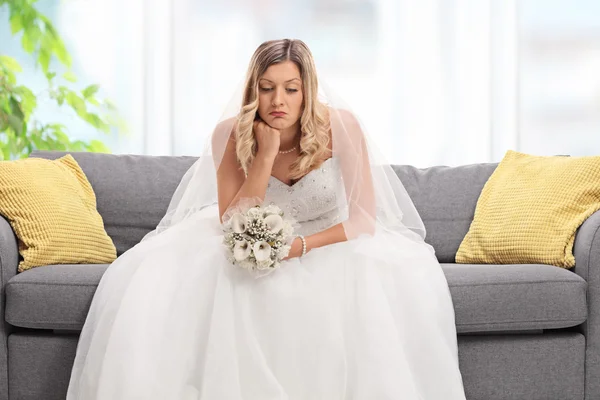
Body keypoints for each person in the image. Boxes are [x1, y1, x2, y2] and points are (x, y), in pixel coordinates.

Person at [66, 38, 467, 399]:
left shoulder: (341, 126)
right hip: (249, 238)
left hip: (328, 241)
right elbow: (232, 220)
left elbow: (363, 219)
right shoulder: (229, 133)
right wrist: (265, 154)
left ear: (307, 90)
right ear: (252, 90)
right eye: (267, 88)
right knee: (194, 287)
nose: (279, 100)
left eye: (291, 89)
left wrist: (301, 247)